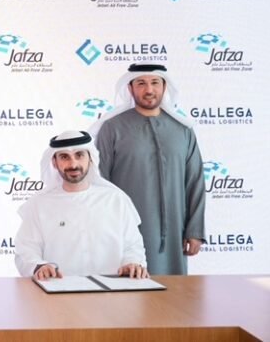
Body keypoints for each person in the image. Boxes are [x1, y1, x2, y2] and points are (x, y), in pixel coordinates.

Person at [93, 63, 206, 275]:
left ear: (164, 87)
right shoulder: (112, 128)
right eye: (141, 83)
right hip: (125, 230)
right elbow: (100, 181)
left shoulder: (183, 130)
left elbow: (195, 182)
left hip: (175, 231)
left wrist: (195, 230)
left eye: (155, 82)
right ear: (130, 88)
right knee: (130, 288)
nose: (149, 89)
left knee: (174, 289)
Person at [15, 130, 148, 281]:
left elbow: (133, 246)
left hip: (112, 290)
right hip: (58, 290)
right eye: (64, 157)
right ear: (54, 162)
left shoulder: (116, 199)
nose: (73, 164)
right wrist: (39, 266)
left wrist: (132, 263)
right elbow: (26, 250)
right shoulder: (39, 204)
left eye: (79, 155)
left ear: (90, 159)